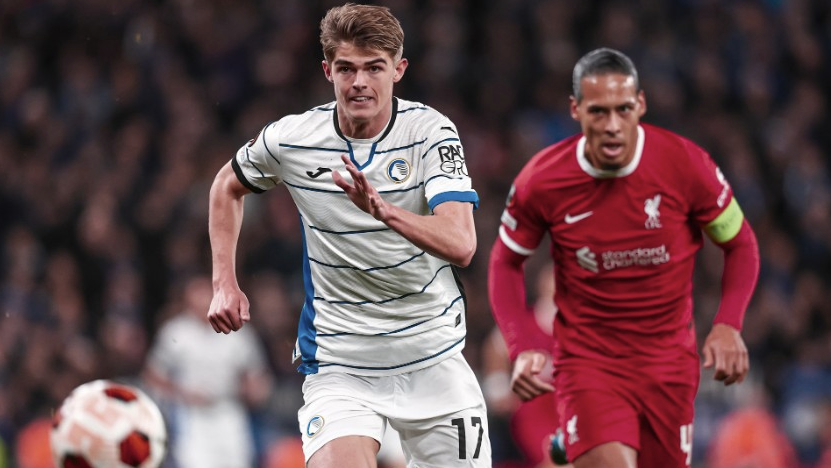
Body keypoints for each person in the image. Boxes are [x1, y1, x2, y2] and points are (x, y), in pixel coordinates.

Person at [207, 3, 490, 468]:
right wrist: (224, 282)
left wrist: (383, 210)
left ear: (398, 70)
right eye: (346, 69)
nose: (359, 82)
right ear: (328, 71)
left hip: (433, 356)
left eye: (374, 68)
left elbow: (462, 243)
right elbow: (226, 185)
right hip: (341, 365)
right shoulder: (292, 138)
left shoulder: (431, 134)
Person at [488, 47, 760, 468]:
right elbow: (505, 261)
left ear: (641, 105)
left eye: (623, 109)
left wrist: (728, 324)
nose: (612, 125)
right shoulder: (543, 179)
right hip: (589, 365)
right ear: (576, 109)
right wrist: (521, 346)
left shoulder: (685, 164)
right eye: (598, 112)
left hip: (669, 368)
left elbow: (740, 244)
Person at [143, 275, 272, 468]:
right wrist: (181, 393)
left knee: (237, 462)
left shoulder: (238, 330)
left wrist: (252, 390)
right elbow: (153, 375)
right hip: (191, 414)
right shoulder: (175, 331)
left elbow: (256, 375)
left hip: (229, 410)